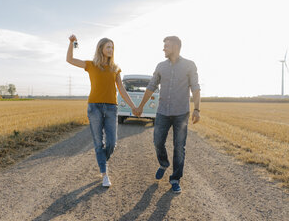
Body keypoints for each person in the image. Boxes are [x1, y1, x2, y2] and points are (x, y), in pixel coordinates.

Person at [66, 35, 136, 187]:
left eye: (112, 47)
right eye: (108, 47)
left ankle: (102, 161)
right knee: (98, 143)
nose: (111, 50)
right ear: (101, 49)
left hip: (111, 108)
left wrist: (133, 106)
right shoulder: (90, 65)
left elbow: (122, 90)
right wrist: (71, 43)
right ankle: (104, 174)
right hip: (94, 107)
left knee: (111, 143)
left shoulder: (115, 69)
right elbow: (70, 60)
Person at [134, 36, 201, 193]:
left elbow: (196, 88)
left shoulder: (189, 65)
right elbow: (151, 86)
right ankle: (164, 163)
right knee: (157, 141)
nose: (164, 48)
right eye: (164, 45)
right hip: (163, 112)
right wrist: (140, 107)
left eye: (167, 46)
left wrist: (197, 109)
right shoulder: (160, 66)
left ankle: (175, 179)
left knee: (179, 147)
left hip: (181, 113)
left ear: (176, 47)